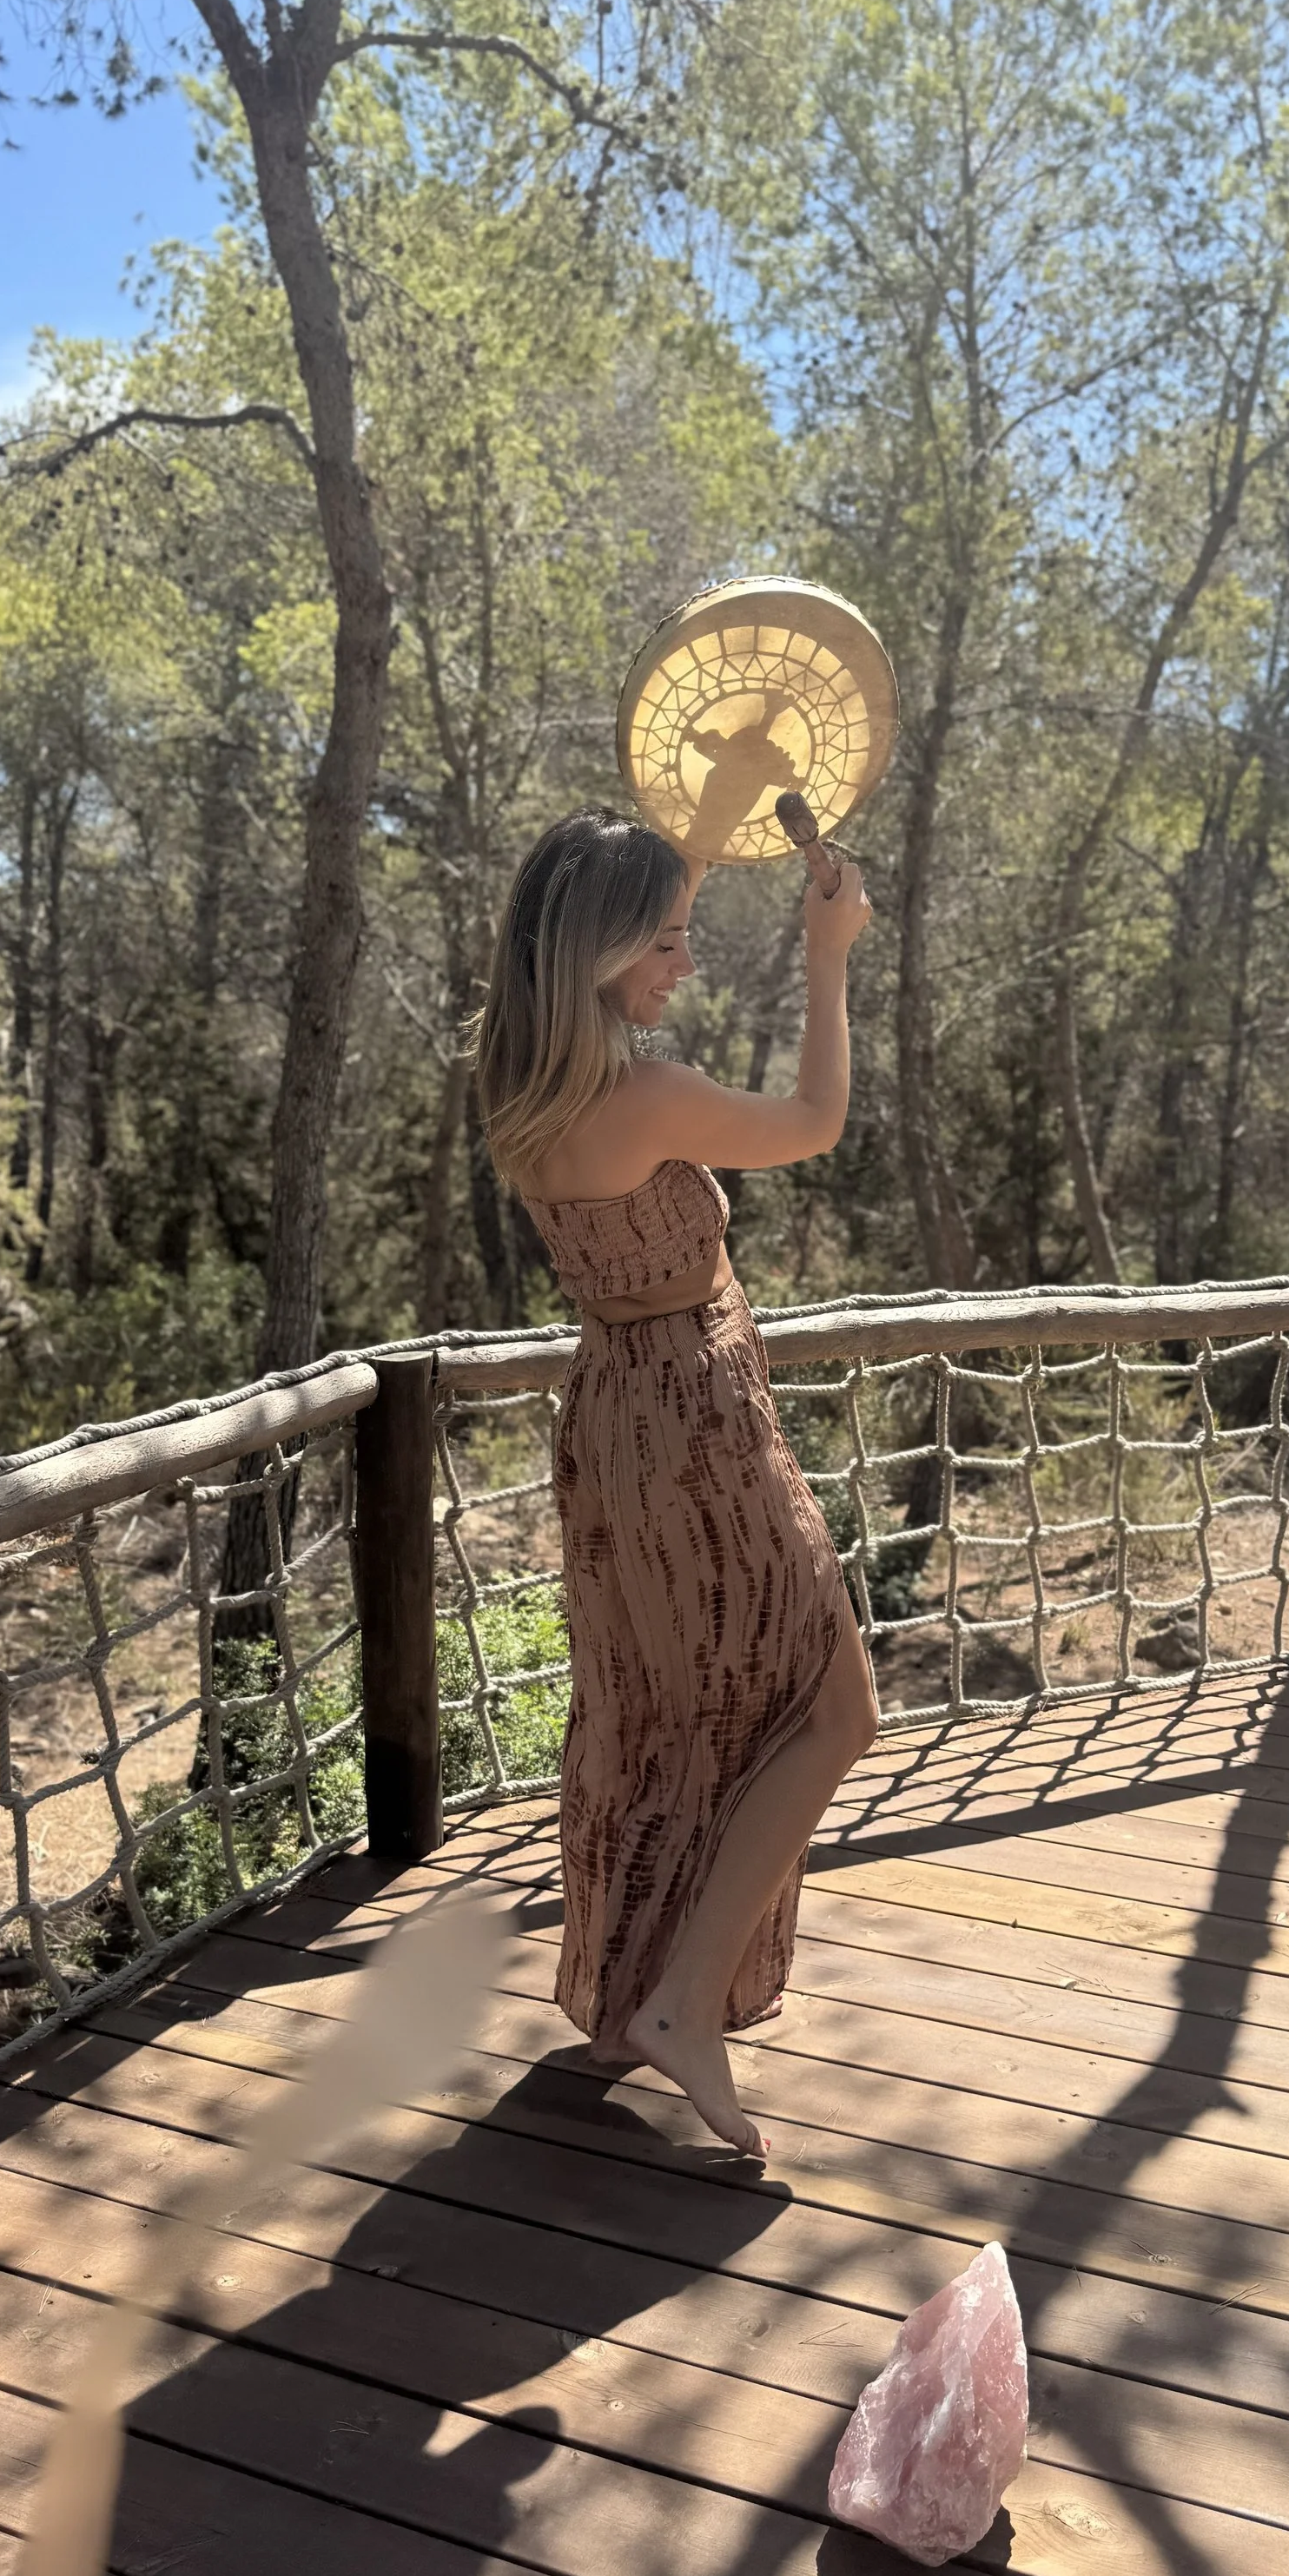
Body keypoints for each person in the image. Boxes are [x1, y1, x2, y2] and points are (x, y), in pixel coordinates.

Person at [472, 805, 879, 2157]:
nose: (684, 965)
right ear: (597, 953)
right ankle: (685, 2005)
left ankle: (634, 1996)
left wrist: (708, 820)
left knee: (661, 1711)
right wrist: (830, 952)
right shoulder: (648, 1097)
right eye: (664, 942)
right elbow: (817, 1121)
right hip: (700, 1428)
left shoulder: (523, 1077)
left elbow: (630, 910)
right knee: (832, 1707)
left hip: (614, 1422)